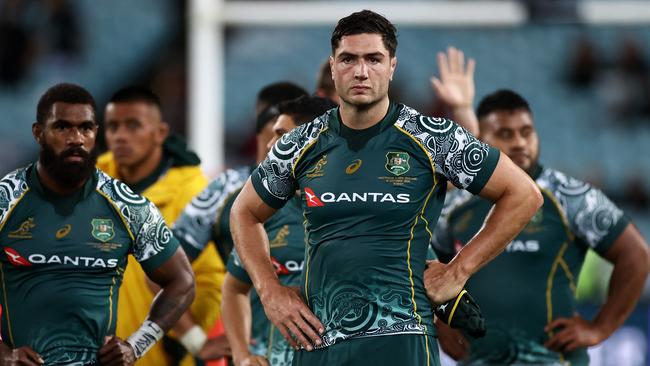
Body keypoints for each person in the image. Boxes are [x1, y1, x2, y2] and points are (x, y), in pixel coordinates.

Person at [229, 10, 543, 366]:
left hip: (402, 341)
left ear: (392, 66)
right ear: (333, 67)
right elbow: (244, 211)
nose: (361, 71)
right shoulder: (301, 143)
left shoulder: (433, 137)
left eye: (373, 59)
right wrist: (270, 292)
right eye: (349, 59)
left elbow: (523, 195)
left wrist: (458, 270)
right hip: (319, 343)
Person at [432, 86, 650, 364]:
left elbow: (636, 255)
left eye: (526, 132)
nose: (520, 143)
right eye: (505, 134)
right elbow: (427, 265)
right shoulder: (454, 205)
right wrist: (440, 320)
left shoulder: (569, 197)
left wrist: (600, 328)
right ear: (481, 140)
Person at [0, 83, 195, 365]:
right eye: (63, 128)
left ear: (96, 133)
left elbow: (183, 281)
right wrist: (3, 355)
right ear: (38, 133)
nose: (76, 138)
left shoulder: (127, 206)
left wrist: (136, 346)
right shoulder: (6, 200)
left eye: (86, 128)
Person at [172, 82, 309, 363]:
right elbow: (164, 268)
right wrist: (196, 341)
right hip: (255, 349)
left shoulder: (329, 198)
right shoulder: (226, 190)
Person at [96, 86, 228, 365]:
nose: (120, 136)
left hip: (159, 355)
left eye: (133, 126)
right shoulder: (94, 181)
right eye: (113, 127)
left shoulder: (193, 194)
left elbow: (208, 280)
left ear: (160, 133)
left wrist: (183, 342)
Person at [219, 96, 337, 366]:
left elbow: (421, 273)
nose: (271, 145)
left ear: (314, 138)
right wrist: (241, 356)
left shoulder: (368, 203)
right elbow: (233, 288)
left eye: (282, 135)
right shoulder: (260, 213)